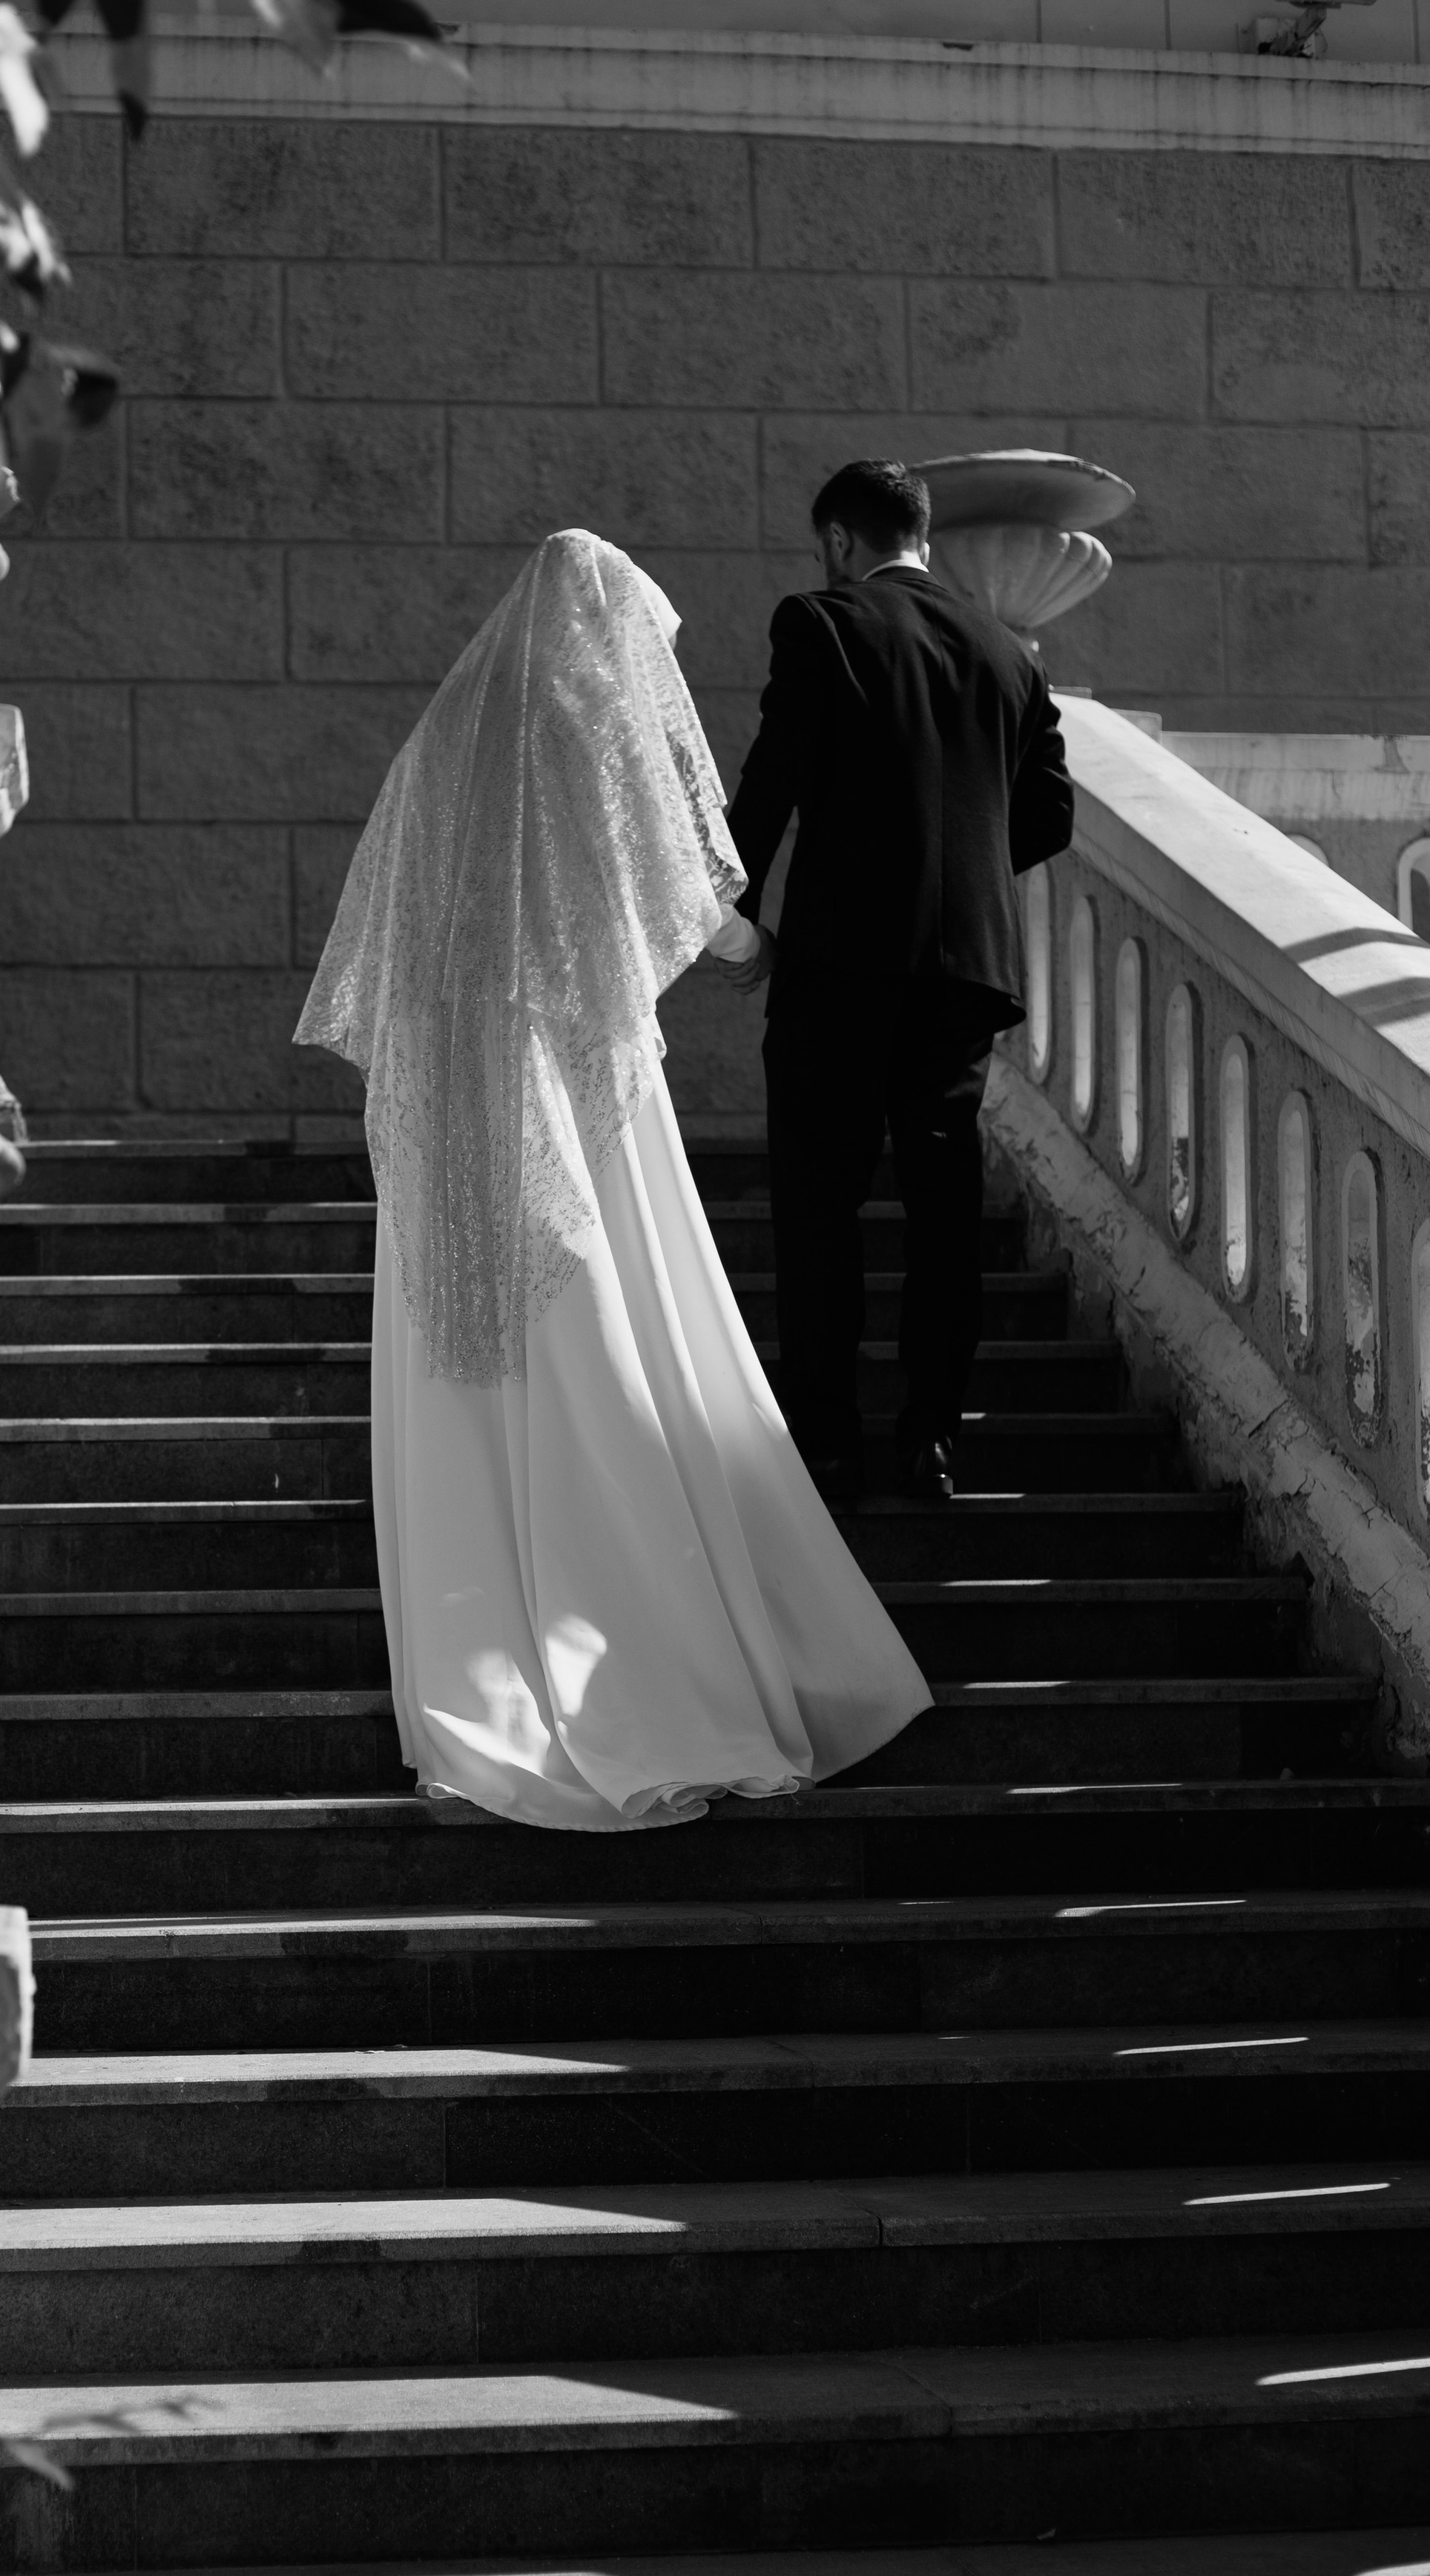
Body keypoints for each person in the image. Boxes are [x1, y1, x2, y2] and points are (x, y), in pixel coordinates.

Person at [294, 529, 930, 1832]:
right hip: (573, 1090)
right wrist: (757, 951)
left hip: (454, 1100)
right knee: (620, 1346)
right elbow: (684, 892)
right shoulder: (589, 723)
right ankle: (640, 1661)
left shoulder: (442, 743)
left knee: (478, 1370)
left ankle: (481, 1665)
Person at [719, 459, 1075, 1504]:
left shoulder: (822, 624)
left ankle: (828, 1442)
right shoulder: (1010, 655)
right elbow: (1049, 815)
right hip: (964, 973)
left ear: (839, 541)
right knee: (944, 1201)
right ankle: (932, 1436)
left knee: (819, 1201)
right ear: (923, 535)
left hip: (839, 965)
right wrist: (953, 876)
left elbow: (771, 782)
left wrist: (733, 920)